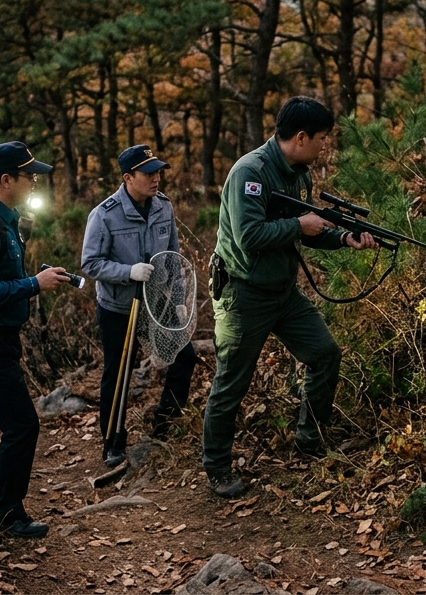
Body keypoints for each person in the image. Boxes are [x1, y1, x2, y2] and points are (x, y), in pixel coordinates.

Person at [201, 96, 379, 499]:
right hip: (243, 293)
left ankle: (310, 439)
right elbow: (250, 236)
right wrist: (300, 223)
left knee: (324, 353)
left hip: (282, 291)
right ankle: (216, 467)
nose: (324, 146)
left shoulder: (299, 172)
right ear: (300, 137)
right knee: (231, 382)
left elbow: (307, 231)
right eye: (321, 138)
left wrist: (345, 238)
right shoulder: (251, 171)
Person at [0, 141, 76, 539]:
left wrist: (31, 279)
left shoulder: (4, 219)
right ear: (7, 180)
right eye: (29, 176)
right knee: (22, 424)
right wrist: (34, 285)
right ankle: (8, 512)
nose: (36, 182)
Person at [81, 145, 199, 468]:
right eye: (149, 174)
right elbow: (90, 263)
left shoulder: (163, 208)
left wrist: (177, 301)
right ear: (128, 178)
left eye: (158, 172)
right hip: (118, 307)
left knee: (185, 357)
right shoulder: (104, 215)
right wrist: (126, 272)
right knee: (118, 372)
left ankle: (164, 426)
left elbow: (173, 258)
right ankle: (113, 443)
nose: (157, 179)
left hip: (156, 302)